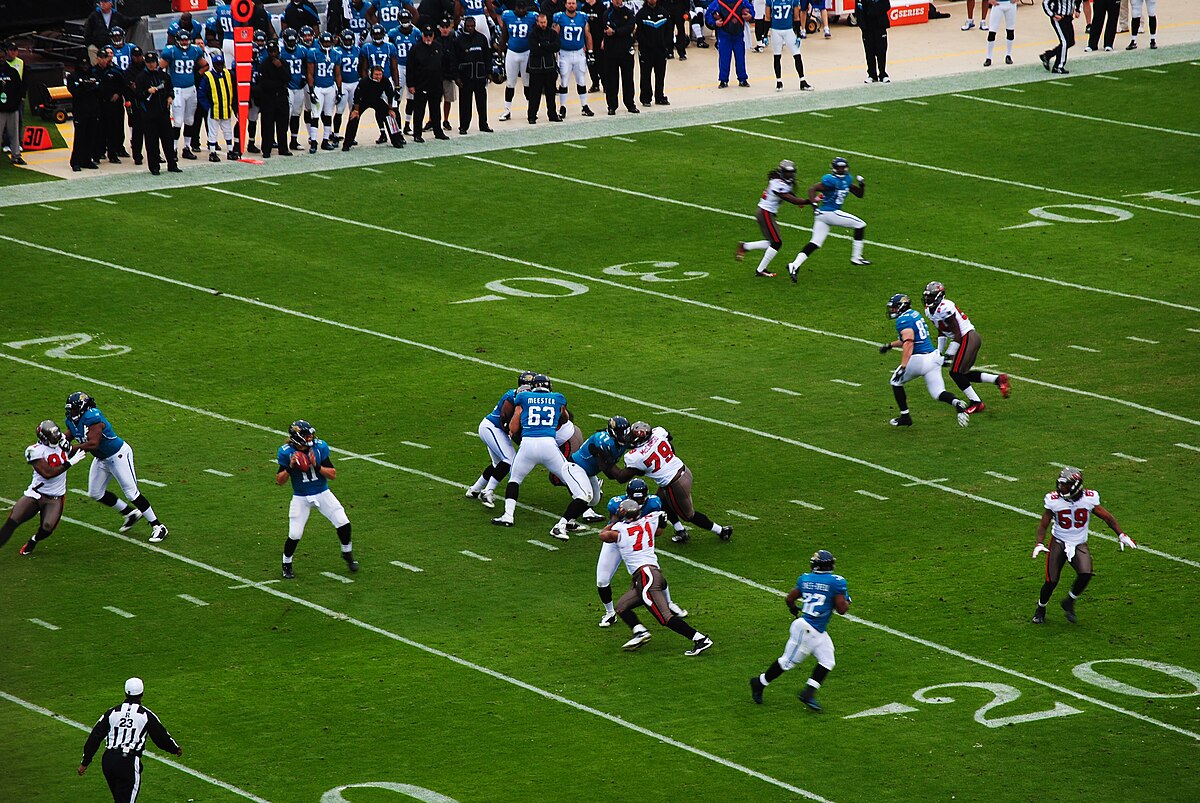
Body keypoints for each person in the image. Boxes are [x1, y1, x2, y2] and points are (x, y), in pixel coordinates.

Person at [601, 498, 714, 656]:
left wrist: (614, 520)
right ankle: (640, 631)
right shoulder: (649, 520)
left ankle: (700, 639)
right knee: (621, 607)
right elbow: (660, 530)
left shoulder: (620, 529)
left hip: (646, 576)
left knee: (664, 617)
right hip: (650, 575)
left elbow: (603, 535)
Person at [1031, 467, 1136, 624]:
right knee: (1051, 581)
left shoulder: (1089, 498)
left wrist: (1121, 534)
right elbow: (1043, 524)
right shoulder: (1053, 500)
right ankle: (1041, 608)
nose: (1061, 488)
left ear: (1075, 485)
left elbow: (1107, 517)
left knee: (1086, 573)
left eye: (1065, 485)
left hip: (1079, 543)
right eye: (1060, 484)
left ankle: (1069, 601)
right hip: (1059, 542)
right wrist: (1039, 543)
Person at [749, 549, 849, 710]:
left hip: (814, 629)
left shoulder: (805, 579)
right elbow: (842, 609)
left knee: (827, 660)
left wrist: (794, 609)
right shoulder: (836, 582)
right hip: (808, 629)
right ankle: (759, 682)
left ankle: (808, 693)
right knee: (787, 662)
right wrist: (846, 598)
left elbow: (789, 599)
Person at [64, 392, 169, 541]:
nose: (71, 412)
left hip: (117, 455)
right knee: (95, 492)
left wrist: (71, 449)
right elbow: (69, 435)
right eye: (70, 409)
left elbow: (93, 443)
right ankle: (130, 513)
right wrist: (54, 443)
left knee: (132, 493)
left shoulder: (93, 418)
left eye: (73, 409)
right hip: (101, 458)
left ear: (82, 408)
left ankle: (158, 526)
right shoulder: (73, 420)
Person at [491, 374, 591, 531]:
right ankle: (581, 514)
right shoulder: (557, 398)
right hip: (549, 445)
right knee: (568, 477)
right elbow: (564, 418)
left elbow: (514, 426)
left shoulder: (523, 397)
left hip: (528, 445)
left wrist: (513, 430)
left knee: (515, 479)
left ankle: (508, 516)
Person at [595, 478, 689, 627]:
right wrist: (618, 518)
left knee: (653, 570)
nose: (638, 504)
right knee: (602, 580)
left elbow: (657, 532)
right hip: (618, 537)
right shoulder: (616, 504)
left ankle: (669, 603)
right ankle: (610, 613)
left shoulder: (653, 503)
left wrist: (662, 524)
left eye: (641, 500)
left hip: (636, 541)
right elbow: (608, 531)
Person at [622, 420, 733, 544]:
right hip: (683, 470)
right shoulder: (658, 432)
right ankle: (680, 530)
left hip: (674, 483)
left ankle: (722, 530)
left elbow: (623, 476)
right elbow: (669, 438)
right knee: (660, 501)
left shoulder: (634, 456)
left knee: (689, 515)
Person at [276, 420, 358, 579]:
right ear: (297, 437)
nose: (310, 438)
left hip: (322, 492)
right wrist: (291, 466)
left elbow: (333, 474)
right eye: (306, 436)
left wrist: (317, 465)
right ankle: (286, 564)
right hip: (300, 497)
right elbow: (280, 481)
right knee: (295, 534)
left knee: (343, 522)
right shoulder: (286, 452)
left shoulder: (319, 447)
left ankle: (347, 554)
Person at [79, 678, 182, 803]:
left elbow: (95, 737)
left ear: (125, 693)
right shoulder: (145, 714)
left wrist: (85, 762)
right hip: (128, 761)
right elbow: (161, 736)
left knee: (120, 799)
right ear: (142, 693)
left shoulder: (112, 712)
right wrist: (174, 749)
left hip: (108, 760)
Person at [879, 294, 971, 428]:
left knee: (895, 381)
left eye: (894, 308)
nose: (892, 311)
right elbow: (910, 338)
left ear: (901, 307)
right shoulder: (914, 314)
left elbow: (909, 342)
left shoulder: (903, 320)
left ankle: (905, 416)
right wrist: (890, 345)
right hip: (933, 358)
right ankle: (957, 403)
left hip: (919, 360)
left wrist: (904, 366)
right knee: (938, 392)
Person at [922, 281, 1010, 414]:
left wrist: (949, 355)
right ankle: (998, 380)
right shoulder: (930, 311)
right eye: (927, 296)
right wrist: (938, 351)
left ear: (939, 296)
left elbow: (957, 333)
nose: (928, 299)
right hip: (964, 339)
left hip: (967, 337)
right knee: (962, 374)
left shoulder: (946, 307)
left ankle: (976, 402)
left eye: (931, 296)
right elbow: (942, 331)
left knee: (955, 372)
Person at [1, 421, 85, 554]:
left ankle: (33, 541)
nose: (57, 439)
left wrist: (79, 419)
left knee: (47, 528)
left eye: (57, 435)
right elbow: (48, 473)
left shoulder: (61, 440)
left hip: (55, 498)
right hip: (35, 494)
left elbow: (74, 431)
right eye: (53, 437)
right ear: (44, 438)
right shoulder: (34, 450)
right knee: (13, 521)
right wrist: (70, 462)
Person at [787, 157, 869, 277]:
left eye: (843, 167)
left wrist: (862, 185)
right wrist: (814, 204)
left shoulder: (847, 179)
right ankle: (856, 257)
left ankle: (794, 265)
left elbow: (859, 195)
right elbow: (812, 188)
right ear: (834, 168)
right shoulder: (830, 180)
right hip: (830, 212)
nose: (841, 170)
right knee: (860, 224)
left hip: (823, 216)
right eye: (838, 167)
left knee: (815, 242)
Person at [465, 370, 535, 509]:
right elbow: (504, 421)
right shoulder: (512, 396)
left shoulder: (525, 398)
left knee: (498, 464)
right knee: (509, 459)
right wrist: (517, 438)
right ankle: (487, 492)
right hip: (492, 427)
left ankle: (474, 489)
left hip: (497, 429)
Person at [736, 159, 812, 278]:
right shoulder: (777, 183)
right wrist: (808, 201)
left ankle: (745, 247)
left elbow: (789, 193)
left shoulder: (781, 182)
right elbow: (788, 198)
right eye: (787, 173)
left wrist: (798, 200)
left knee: (773, 242)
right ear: (781, 172)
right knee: (776, 242)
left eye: (791, 172)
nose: (790, 175)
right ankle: (760, 269)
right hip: (765, 212)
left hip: (766, 212)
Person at [160, 30, 207, 160]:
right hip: (178, 90)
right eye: (182, 40)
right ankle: (173, 149)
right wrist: (167, 82)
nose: (185, 42)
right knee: (178, 121)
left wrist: (197, 75)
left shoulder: (195, 51)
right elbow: (160, 68)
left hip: (191, 89)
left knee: (190, 120)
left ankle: (187, 147)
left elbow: (205, 65)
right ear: (177, 40)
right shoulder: (172, 51)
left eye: (186, 40)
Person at [134, 52, 182, 174]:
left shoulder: (164, 76)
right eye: (149, 62)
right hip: (149, 115)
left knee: (168, 140)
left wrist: (170, 97)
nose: (151, 65)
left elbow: (170, 89)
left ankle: (172, 164)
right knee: (151, 142)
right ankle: (154, 166)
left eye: (153, 62)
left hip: (163, 113)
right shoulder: (141, 77)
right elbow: (138, 95)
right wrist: (147, 91)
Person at [342, 64, 405, 149]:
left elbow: (390, 95)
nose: (378, 77)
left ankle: (396, 141)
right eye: (376, 75)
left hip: (377, 100)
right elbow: (356, 96)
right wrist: (356, 110)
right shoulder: (364, 82)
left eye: (380, 74)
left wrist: (390, 109)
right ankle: (347, 144)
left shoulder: (385, 81)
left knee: (390, 117)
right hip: (363, 101)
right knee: (353, 117)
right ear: (371, 74)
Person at [553, 0, 596, 118]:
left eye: (573, 3)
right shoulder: (559, 17)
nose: (571, 5)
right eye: (569, 3)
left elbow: (587, 35)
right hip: (564, 54)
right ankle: (562, 107)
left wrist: (591, 52)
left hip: (579, 53)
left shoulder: (582, 17)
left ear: (576, 5)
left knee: (581, 81)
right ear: (565, 5)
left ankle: (584, 105)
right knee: (563, 82)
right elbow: (554, 35)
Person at [407, 24, 448, 141]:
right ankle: (417, 134)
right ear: (422, 36)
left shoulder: (438, 47)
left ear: (433, 35)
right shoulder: (416, 49)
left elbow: (443, 64)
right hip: (421, 84)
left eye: (430, 35)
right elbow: (410, 68)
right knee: (419, 111)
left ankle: (438, 131)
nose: (428, 37)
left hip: (435, 84)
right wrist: (411, 85)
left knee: (435, 110)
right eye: (426, 35)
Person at [499, 0, 538, 121]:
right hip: (512, 52)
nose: (521, 10)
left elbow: (536, 35)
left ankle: (530, 110)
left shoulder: (532, 17)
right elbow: (504, 34)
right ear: (514, 7)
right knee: (510, 83)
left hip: (526, 53)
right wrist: (500, 50)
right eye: (518, 8)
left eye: (523, 8)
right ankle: (507, 110)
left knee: (527, 83)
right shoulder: (507, 16)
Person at [254, 40, 293, 157]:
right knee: (267, 126)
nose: (273, 54)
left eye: (274, 51)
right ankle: (266, 149)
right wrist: (279, 83)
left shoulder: (283, 63)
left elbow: (288, 78)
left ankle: (283, 148)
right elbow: (264, 83)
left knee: (283, 125)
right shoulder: (264, 65)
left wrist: (280, 68)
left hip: (281, 98)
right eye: (270, 52)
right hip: (268, 99)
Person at [455, 16, 493, 134]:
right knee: (465, 103)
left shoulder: (482, 38)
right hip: (466, 77)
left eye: (472, 26)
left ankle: (483, 124)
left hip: (480, 76)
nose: (470, 28)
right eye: (468, 26)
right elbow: (454, 60)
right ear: (464, 26)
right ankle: (463, 126)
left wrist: (489, 72)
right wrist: (456, 76)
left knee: (482, 102)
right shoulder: (458, 40)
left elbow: (487, 56)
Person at [199, 51, 239, 161]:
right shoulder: (208, 76)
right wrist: (208, 107)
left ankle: (230, 151)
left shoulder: (228, 74)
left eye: (222, 64)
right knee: (213, 132)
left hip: (226, 109)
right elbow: (201, 94)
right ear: (214, 64)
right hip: (214, 110)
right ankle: (212, 152)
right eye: (218, 64)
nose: (220, 66)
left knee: (227, 131)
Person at [600, 0, 637, 114]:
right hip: (611, 52)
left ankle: (630, 104)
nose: (617, 1)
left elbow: (630, 27)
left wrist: (616, 32)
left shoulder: (628, 12)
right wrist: (620, 30)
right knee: (611, 80)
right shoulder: (607, 13)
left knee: (628, 79)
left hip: (626, 51)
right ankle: (612, 106)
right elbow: (608, 29)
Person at [706, 0, 753, 88]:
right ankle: (723, 80)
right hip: (724, 35)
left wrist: (750, 16)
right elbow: (708, 14)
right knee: (724, 58)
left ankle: (742, 79)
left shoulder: (742, 1)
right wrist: (714, 22)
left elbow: (751, 10)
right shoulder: (718, 2)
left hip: (738, 34)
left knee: (740, 58)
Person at [277, 28, 311, 151]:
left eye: (293, 41)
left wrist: (303, 76)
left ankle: (294, 140)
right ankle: (282, 141)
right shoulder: (281, 52)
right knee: (287, 114)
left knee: (296, 114)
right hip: (288, 87)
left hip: (299, 86)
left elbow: (307, 65)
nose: (291, 44)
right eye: (289, 41)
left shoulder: (302, 50)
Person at [765, 0, 810, 92]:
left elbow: (796, 17)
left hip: (789, 30)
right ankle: (778, 81)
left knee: (797, 55)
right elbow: (767, 17)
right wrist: (764, 34)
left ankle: (802, 80)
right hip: (776, 31)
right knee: (777, 56)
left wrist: (798, 34)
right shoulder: (771, 1)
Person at [526, 12, 562, 124]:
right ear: (537, 22)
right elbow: (534, 49)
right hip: (535, 68)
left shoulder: (552, 33)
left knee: (551, 93)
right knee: (534, 94)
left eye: (545, 22)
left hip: (550, 67)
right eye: (541, 22)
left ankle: (552, 114)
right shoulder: (532, 34)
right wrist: (547, 46)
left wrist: (543, 45)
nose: (543, 24)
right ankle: (531, 116)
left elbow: (557, 46)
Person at [307, 31, 339, 150]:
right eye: (324, 42)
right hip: (318, 88)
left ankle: (325, 140)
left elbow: (338, 74)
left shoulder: (335, 54)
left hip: (330, 87)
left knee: (328, 114)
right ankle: (314, 141)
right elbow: (310, 73)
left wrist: (339, 90)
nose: (326, 44)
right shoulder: (313, 53)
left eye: (328, 42)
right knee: (315, 115)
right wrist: (311, 90)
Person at [67, 59, 101, 171]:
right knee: (80, 137)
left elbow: (99, 90)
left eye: (86, 64)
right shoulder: (72, 77)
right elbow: (75, 92)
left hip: (93, 110)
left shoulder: (94, 75)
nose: (85, 67)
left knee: (91, 136)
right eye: (83, 64)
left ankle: (86, 160)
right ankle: (75, 161)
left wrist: (89, 87)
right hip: (80, 111)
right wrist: (86, 87)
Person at [636, 0, 672, 107]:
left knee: (660, 75)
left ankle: (660, 97)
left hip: (661, 50)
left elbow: (669, 30)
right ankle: (646, 98)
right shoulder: (641, 14)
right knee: (645, 75)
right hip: (646, 51)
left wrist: (665, 44)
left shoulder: (664, 13)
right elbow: (638, 33)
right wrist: (646, 45)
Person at [94, 48, 126, 164]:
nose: (103, 60)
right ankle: (98, 153)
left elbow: (122, 84)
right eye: (101, 58)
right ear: (97, 59)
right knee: (99, 130)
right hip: (99, 104)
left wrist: (118, 93)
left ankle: (113, 154)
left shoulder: (114, 71)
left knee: (113, 129)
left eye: (105, 58)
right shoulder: (93, 72)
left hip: (112, 104)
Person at [390, 14, 420, 135]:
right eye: (403, 20)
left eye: (407, 19)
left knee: (411, 97)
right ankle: (397, 126)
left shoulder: (416, 32)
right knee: (397, 97)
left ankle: (407, 125)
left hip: (413, 67)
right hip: (400, 66)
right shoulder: (393, 33)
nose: (405, 22)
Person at [331, 29, 362, 146]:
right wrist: (338, 87)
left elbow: (361, 65)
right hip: (343, 83)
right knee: (339, 110)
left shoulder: (358, 50)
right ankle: (336, 135)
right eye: (346, 40)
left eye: (350, 40)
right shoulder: (337, 51)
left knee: (354, 110)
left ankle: (351, 135)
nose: (348, 42)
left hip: (354, 83)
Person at [83, 0, 137, 65]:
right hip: (97, 46)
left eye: (105, 2)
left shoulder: (116, 15)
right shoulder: (94, 16)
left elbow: (127, 21)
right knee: (91, 49)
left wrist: (138, 18)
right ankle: (97, 71)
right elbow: (87, 31)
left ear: (111, 4)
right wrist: (89, 44)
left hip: (112, 47)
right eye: (101, 2)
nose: (102, 4)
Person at [1039, 0, 1081, 75]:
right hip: (1059, 19)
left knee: (1070, 42)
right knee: (1064, 42)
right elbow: (1045, 3)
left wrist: (1078, 10)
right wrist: (1052, 15)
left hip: (1068, 18)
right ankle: (1058, 66)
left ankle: (1047, 55)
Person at [435, 17, 460, 133]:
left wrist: (455, 74)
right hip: (438, 76)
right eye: (443, 27)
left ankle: (445, 119)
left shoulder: (454, 41)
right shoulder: (436, 41)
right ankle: (432, 120)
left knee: (448, 99)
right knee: (435, 100)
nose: (445, 29)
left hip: (449, 75)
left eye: (447, 27)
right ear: (439, 28)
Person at [856, 0, 890, 83]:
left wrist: (873, 10)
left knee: (881, 51)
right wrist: (862, 25)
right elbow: (858, 10)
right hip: (867, 28)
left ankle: (883, 74)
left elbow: (886, 5)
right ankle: (872, 74)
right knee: (869, 51)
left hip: (880, 25)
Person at [0, 54, 24, 166]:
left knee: (14, 134)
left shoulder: (12, 72)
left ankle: (16, 156)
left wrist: (14, 104)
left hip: (12, 109)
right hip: (0, 110)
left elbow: (20, 89)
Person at [984, 0, 1016, 65]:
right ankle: (988, 57)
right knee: (992, 31)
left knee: (1010, 30)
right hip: (998, 4)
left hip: (1010, 4)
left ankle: (1008, 54)